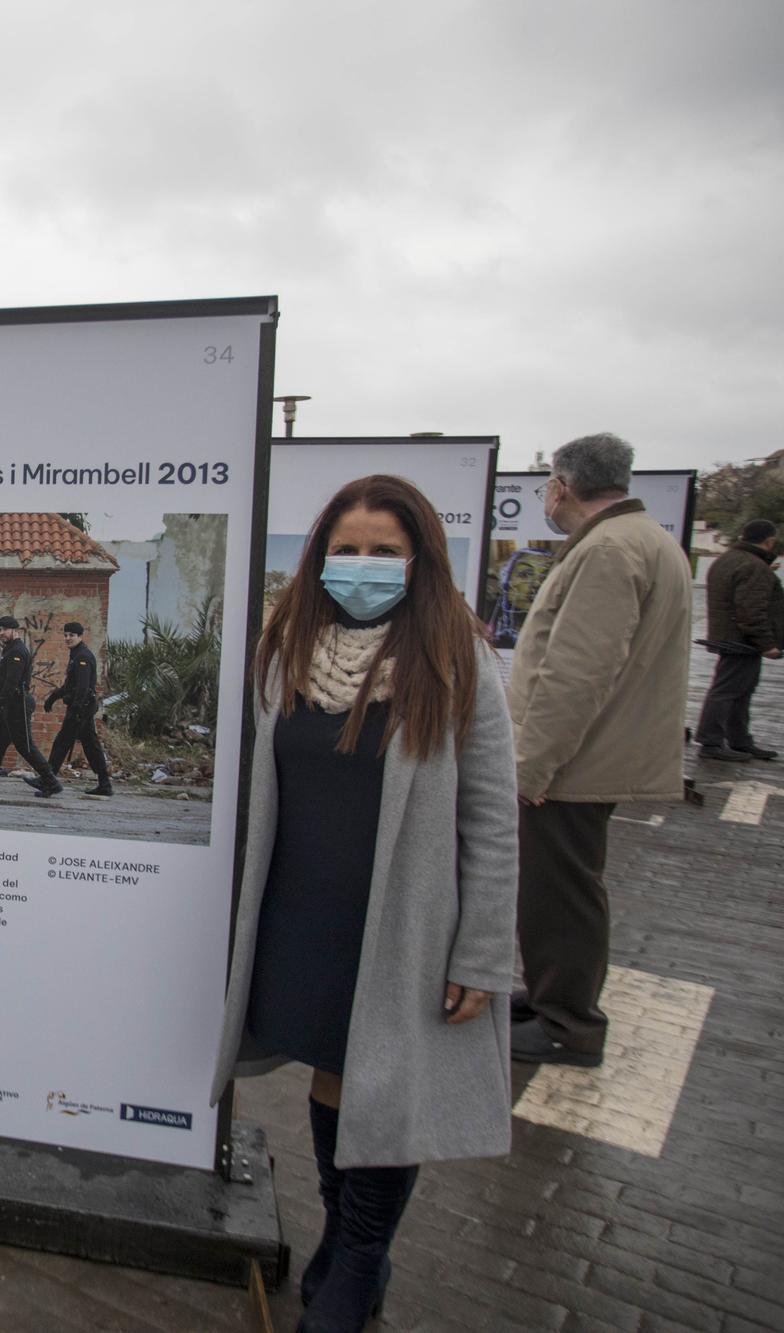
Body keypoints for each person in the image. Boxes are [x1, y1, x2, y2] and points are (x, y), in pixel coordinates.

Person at [211, 475, 517, 1332]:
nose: (363, 564)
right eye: (347, 547)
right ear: (319, 554)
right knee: (335, 1070)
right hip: (302, 913)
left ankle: (358, 1260)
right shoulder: (284, 649)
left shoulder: (457, 658)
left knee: (384, 1085)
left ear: (419, 561)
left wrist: (484, 953)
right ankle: (343, 1235)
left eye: (385, 551)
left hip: (406, 920)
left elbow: (492, 818)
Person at [508, 434, 690, 1069]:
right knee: (555, 888)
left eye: (547, 487)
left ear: (561, 486)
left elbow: (576, 673)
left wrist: (531, 766)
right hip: (595, 755)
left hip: (575, 764)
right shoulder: (642, 539)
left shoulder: (610, 549)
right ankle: (550, 995)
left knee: (560, 891)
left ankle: (567, 1025)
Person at [694, 518, 782, 762]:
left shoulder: (730, 559)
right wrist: (767, 644)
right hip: (742, 640)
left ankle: (739, 741)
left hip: (729, 636)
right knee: (728, 691)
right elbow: (751, 610)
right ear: (769, 540)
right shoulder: (753, 566)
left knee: (740, 690)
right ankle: (712, 742)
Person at [0, 615, 61, 795]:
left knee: (24, 746)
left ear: (15, 631)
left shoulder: (17, 651)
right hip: (9, 704)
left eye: (4, 630)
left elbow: (12, 681)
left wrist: (0, 703)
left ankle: (50, 781)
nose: (1, 633)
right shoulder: (10, 649)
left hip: (16, 704)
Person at [42, 621, 113, 796]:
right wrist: (53, 697)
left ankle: (48, 781)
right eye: (65, 635)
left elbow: (82, 688)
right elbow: (69, 686)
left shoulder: (82, 656)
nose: (67, 638)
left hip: (81, 708)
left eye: (71, 635)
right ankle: (104, 783)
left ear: (80, 636)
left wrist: (76, 710)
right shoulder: (76, 654)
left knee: (62, 742)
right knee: (91, 745)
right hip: (83, 708)